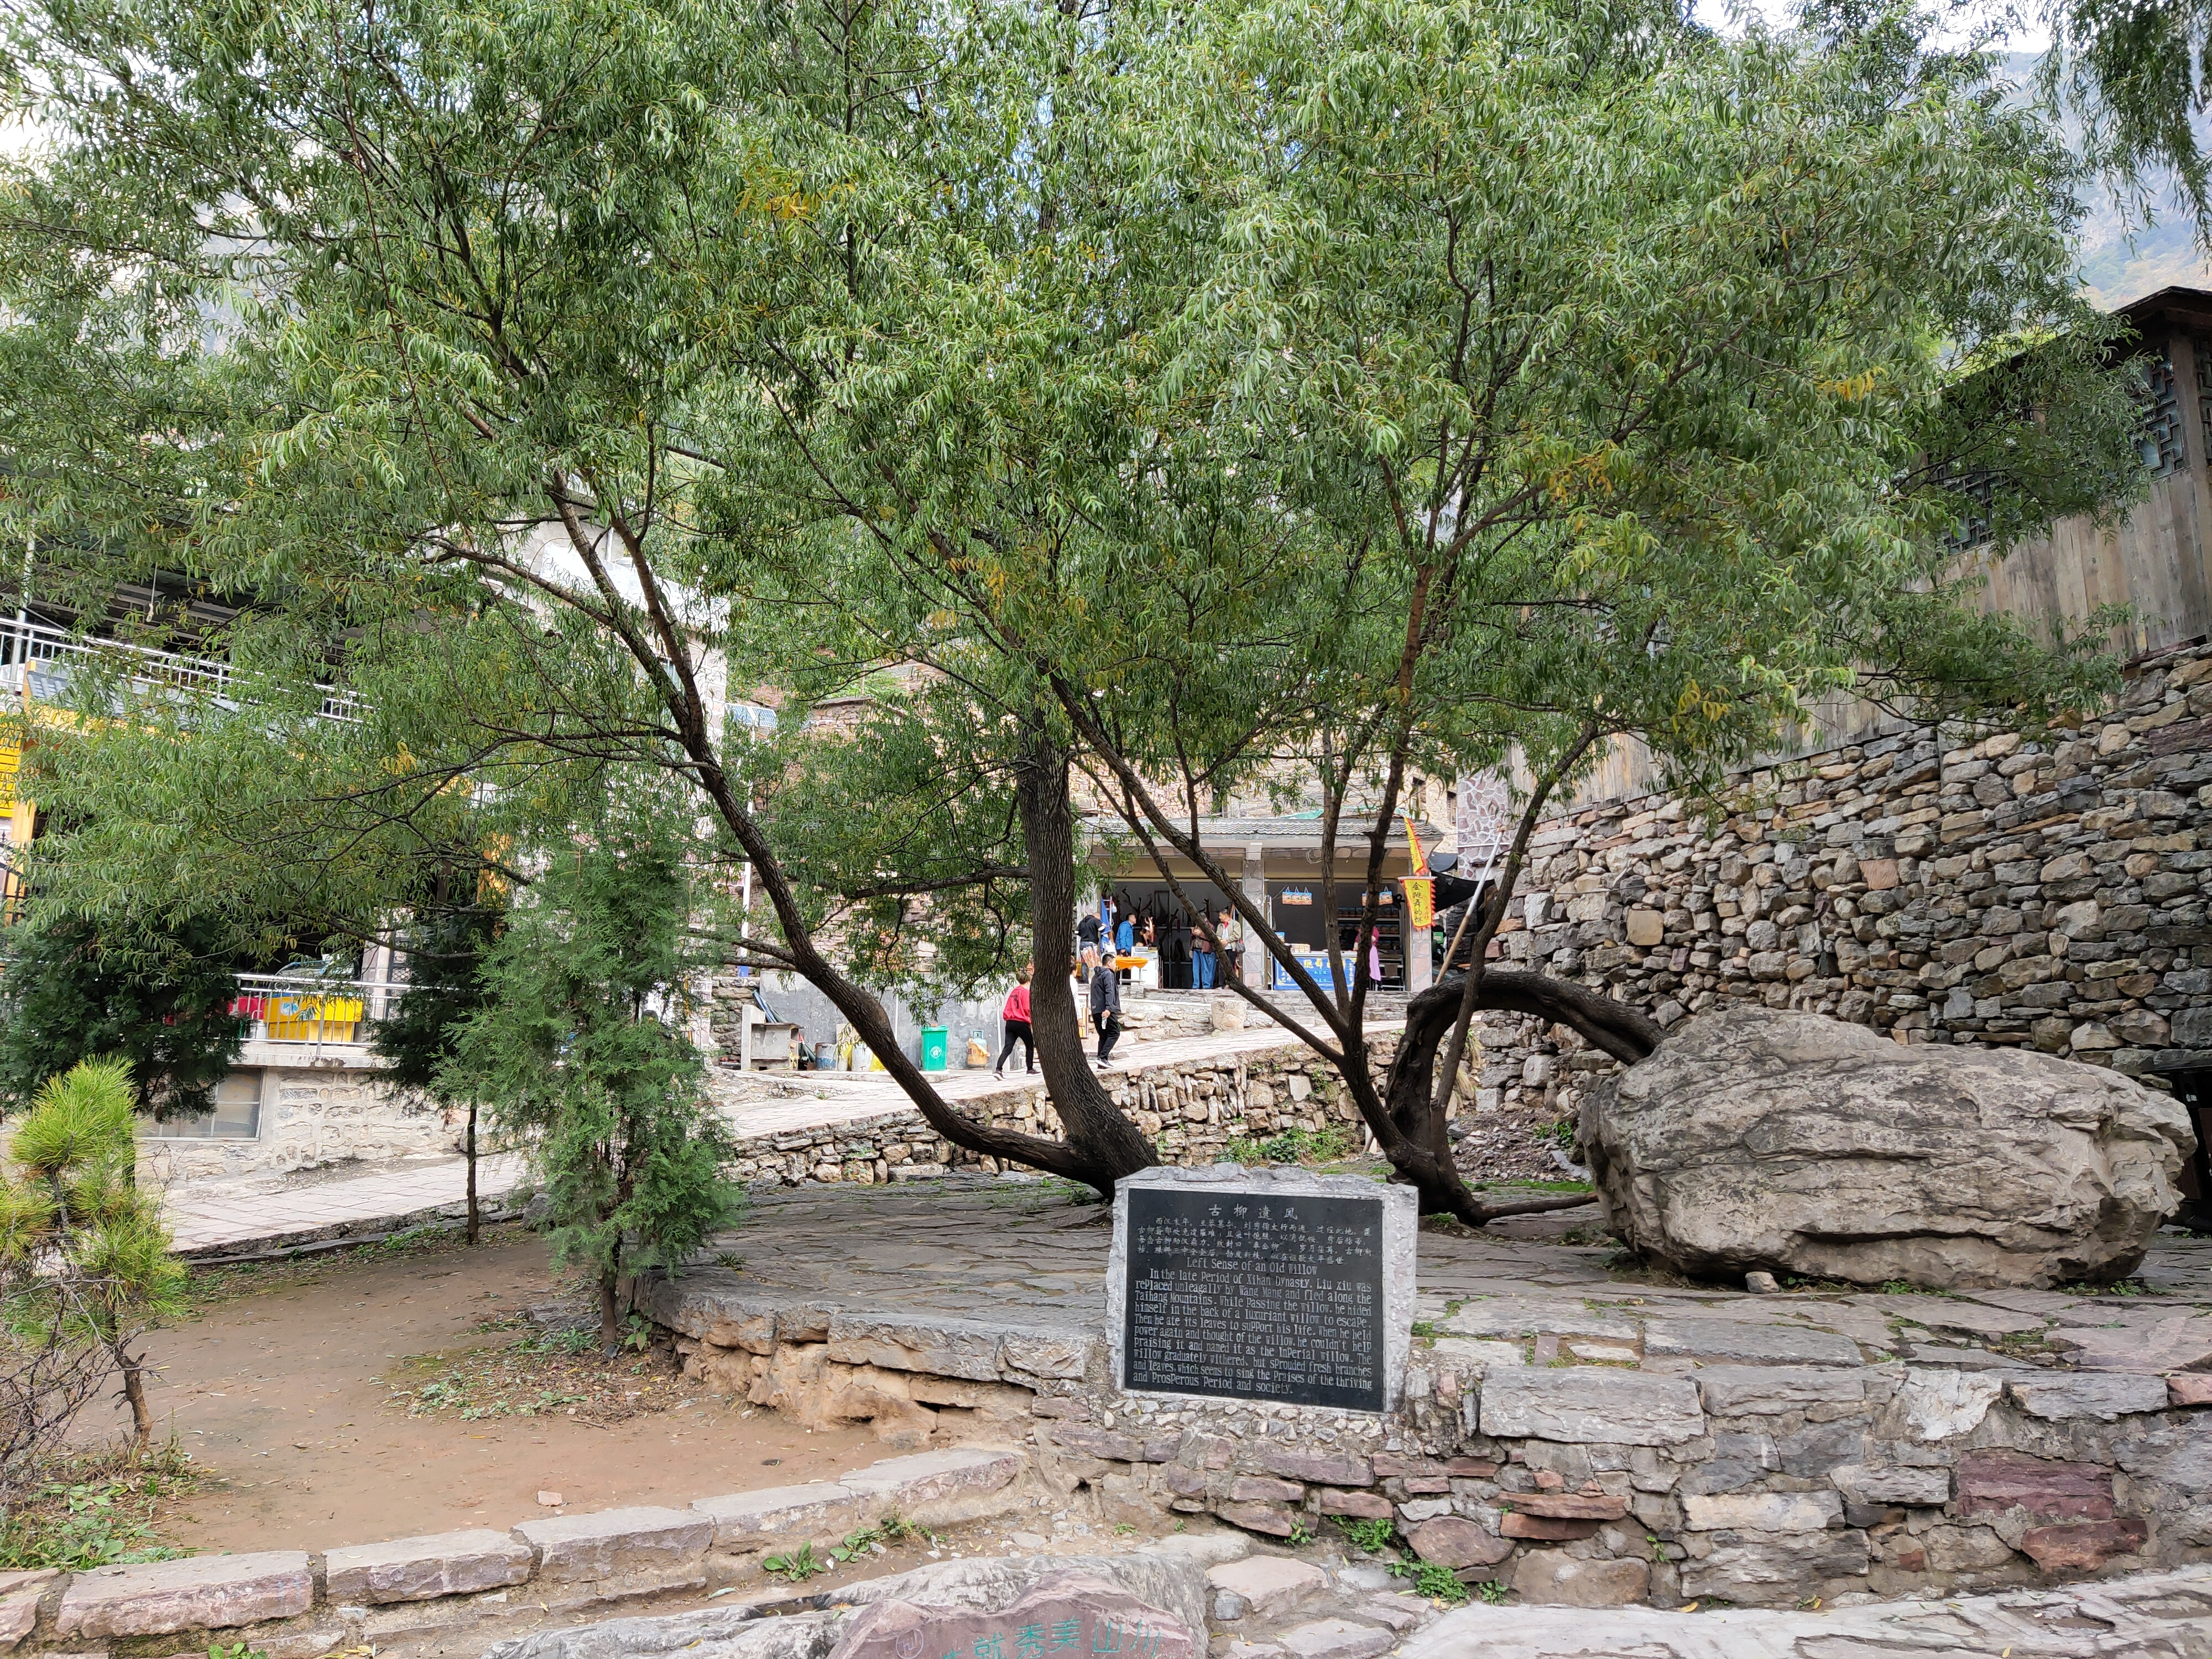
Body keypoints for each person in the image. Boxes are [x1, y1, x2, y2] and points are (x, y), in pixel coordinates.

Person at [994, 963, 1035, 1077]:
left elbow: (1007, 1007)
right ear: (1028, 981)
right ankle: (1030, 1069)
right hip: (1021, 1022)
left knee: (1008, 1047)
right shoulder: (1026, 992)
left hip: (1010, 1022)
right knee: (1030, 1045)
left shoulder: (1013, 992)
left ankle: (998, 1069)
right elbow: (1027, 1008)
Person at [1088, 949, 1123, 1065]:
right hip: (1106, 1010)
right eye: (1114, 963)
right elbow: (1110, 991)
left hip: (1096, 1010)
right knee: (1115, 1032)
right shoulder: (1108, 974)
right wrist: (1109, 1009)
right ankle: (1103, 1057)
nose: (1115, 965)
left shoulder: (1095, 976)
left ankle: (1101, 1061)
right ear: (1109, 963)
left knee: (1103, 1036)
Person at [1218, 905, 1244, 985]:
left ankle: (1231, 984)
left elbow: (1236, 935)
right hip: (1223, 948)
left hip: (1231, 948)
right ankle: (1221, 984)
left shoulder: (1235, 924)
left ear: (1225, 915)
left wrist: (1227, 941)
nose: (1219, 918)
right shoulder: (1220, 926)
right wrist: (1221, 941)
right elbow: (1217, 935)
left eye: (1221, 916)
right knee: (1221, 966)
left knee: (1231, 966)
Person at [1190, 915, 1215, 991]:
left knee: (1205, 968)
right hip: (1196, 948)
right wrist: (1193, 933)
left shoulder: (1210, 926)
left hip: (1204, 949)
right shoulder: (1197, 925)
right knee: (1195, 968)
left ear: (1205, 919)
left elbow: (1211, 937)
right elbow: (1192, 937)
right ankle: (1196, 985)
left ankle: (1206, 985)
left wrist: (1200, 934)